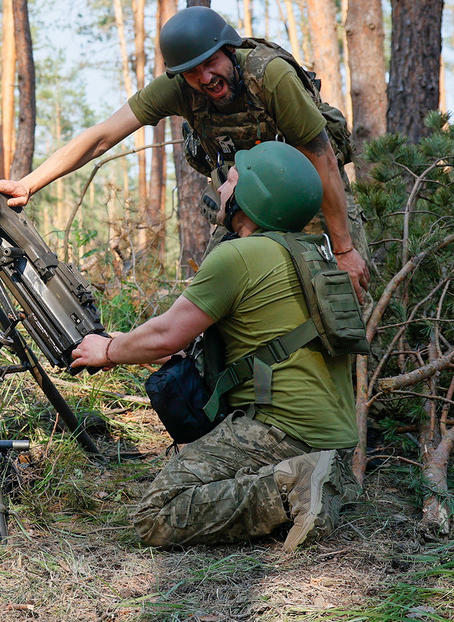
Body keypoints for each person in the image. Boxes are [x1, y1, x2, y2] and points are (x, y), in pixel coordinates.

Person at [70, 141, 358, 551]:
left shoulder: (239, 256)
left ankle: (291, 487)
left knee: (156, 513)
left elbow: (168, 333)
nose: (222, 189)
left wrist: (108, 352)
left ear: (253, 196)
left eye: (233, 181)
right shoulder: (311, 255)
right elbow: (247, 340)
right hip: (337, 436)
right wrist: (126, 341)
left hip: (286, 432)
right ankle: (326, 475)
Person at [0, 6, 369, 302]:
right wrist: (29, 183)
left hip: (311, 192)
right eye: (191, 71)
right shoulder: (177, 88)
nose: (205, 78)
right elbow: (102, 136)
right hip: (247, 203)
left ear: (229, 50)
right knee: (217, 299)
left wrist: (344, 249)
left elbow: (323, 161)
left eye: (211, 63)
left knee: (336, 301)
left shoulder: (271, 76)